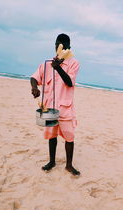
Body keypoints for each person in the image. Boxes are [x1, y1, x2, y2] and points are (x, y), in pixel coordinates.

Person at [30, 33, 80, 175]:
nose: (59, 47)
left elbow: (70, 82)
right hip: (49, 107)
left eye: (63, 45)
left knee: (69, 137)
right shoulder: (45, 64)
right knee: (52, 136)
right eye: (57, 44)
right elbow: (34, 77)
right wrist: (34, 87)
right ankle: (52, 161)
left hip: (65, 107)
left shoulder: (73, 63)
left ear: (69, 47)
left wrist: (58, 67)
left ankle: (69, 165)